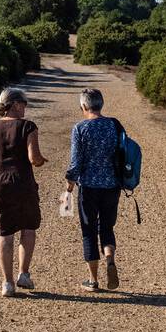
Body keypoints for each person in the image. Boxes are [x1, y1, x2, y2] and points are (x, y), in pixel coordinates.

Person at [0, 87, 47, 297]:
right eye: (25, 103)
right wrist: (40, 161)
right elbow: (33, 158)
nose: (26, 107)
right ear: (16, 104)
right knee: (28, 228)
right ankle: (24, 274)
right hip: (23, 184)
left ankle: (7, 283)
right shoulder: (28, 126)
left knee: (4, 233)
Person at [65, 88, 121, 292]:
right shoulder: (114, 125)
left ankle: (93, 280)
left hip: (88, 187)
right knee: (106, 227)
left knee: (89, 231)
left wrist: (70, 183)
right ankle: (110, 258)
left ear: (83, 106)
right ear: (101, 104)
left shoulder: (80, 128)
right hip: (112, 185)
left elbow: (76, 161)